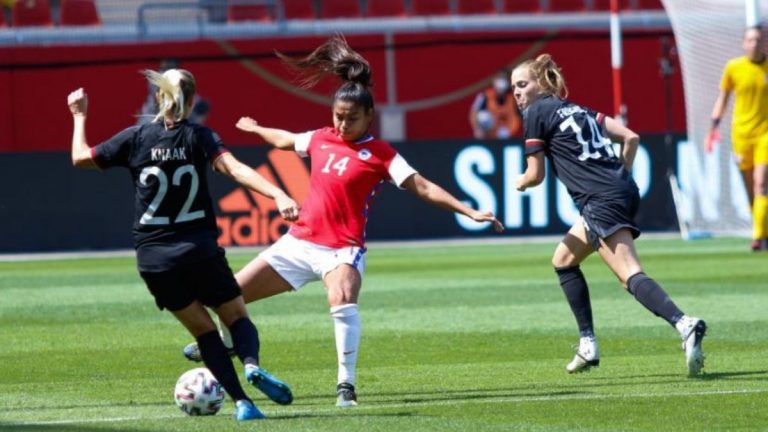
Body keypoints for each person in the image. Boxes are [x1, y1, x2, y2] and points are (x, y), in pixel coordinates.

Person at [182, 35, 504, 407]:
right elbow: (286, 140)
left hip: (341, 250)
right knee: (228, 294)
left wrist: (468, 210)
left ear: (369, 116)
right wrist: (257, 129)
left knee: (342, 298)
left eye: (351, 118)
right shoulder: (321, 138)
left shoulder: (381, 154)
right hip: (299, 243)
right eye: (338, 116)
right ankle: (226, 343)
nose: (343, 123)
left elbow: (422, 186)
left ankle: (345, 387)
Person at [67, 68, 301, 421]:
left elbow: (80, 158)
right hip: (199, 250)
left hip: (154, 259)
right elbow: (235, 169)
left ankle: (242, 403)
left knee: (204, 332)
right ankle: (251, 365)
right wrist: (278, 192)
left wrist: (79, 115)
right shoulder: (199, 137)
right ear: (191, 101)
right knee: (235, 316)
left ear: (159, 98)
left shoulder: (135, 137)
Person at [512, 54, 707, 376]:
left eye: (523, 85)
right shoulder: (579, 109)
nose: (518, 93)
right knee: (563, 260)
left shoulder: (536, 112)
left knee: (629, 274)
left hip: (600, 199)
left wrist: (520, 181)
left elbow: (535, 175)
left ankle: (684, 323)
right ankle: (588, 343)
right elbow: (631, 137)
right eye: (514, 88)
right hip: (621, 191)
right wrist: (621, 174)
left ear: (541, 84)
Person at [705, 25, 768, 251]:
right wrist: (713, 126)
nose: (755, 43)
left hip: (765, 135)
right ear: (744, 43)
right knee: (751, 188)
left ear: (765, 43)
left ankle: (758, 237)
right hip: (741, 134)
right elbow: (723, 98)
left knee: (762, 184)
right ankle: (762, 227)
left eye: (759, 39)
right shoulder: (734, 67)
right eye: (750, 40)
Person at [469, 68, 522, 140]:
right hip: (488, 130)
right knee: (483, 116)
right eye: (499, 78)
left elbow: (518, 117)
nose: (501, 81)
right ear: (494, 79)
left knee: (503, 133)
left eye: (504, 79)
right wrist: (477, 129)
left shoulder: (513, 97)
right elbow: (474, 112)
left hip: (505, 131)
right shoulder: (485, 95)